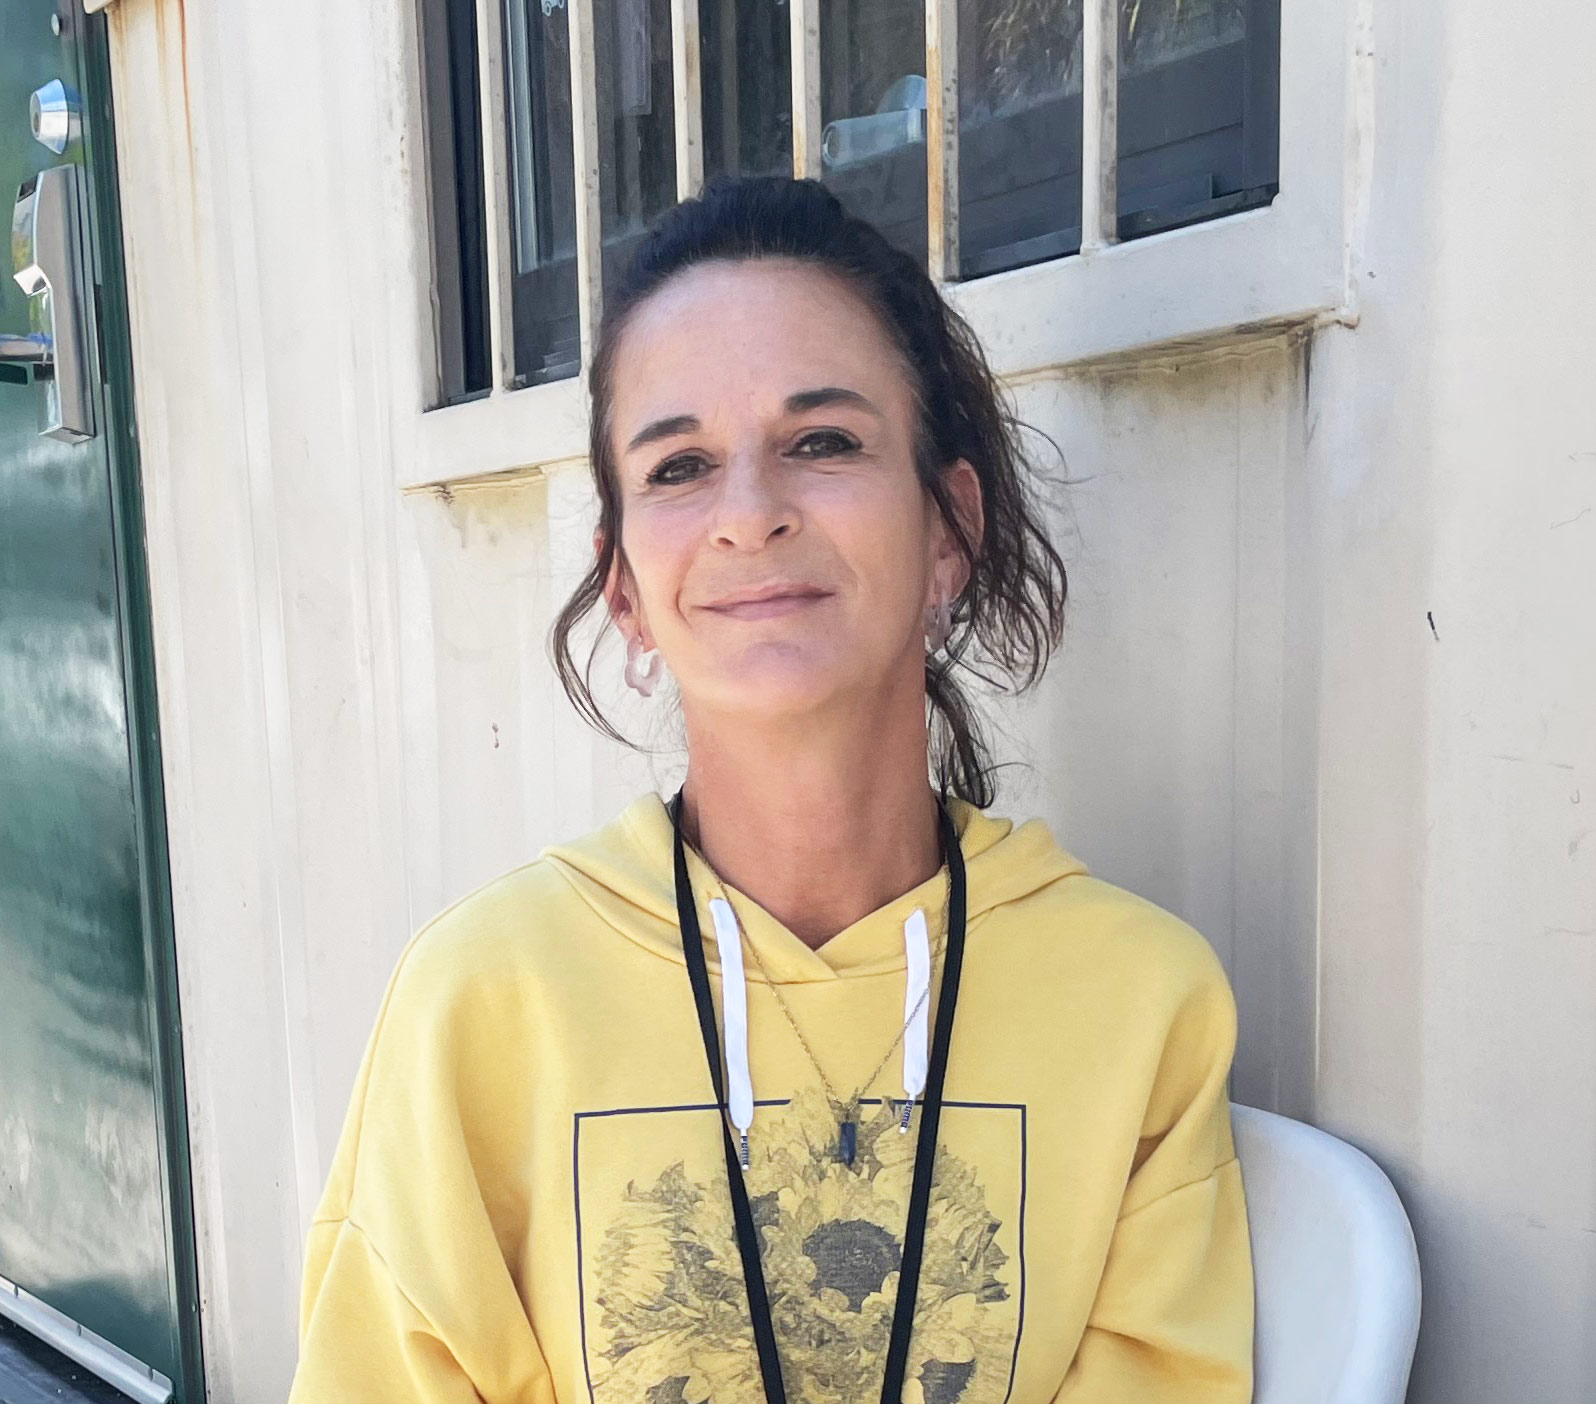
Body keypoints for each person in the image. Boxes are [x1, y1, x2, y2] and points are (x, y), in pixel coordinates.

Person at [288, 174, 1253, 1404]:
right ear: (626, 583)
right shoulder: (479, 1004)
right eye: (680, 465)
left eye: (824, 442)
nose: (751, 515)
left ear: (948, 528)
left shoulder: (1143, 1004)